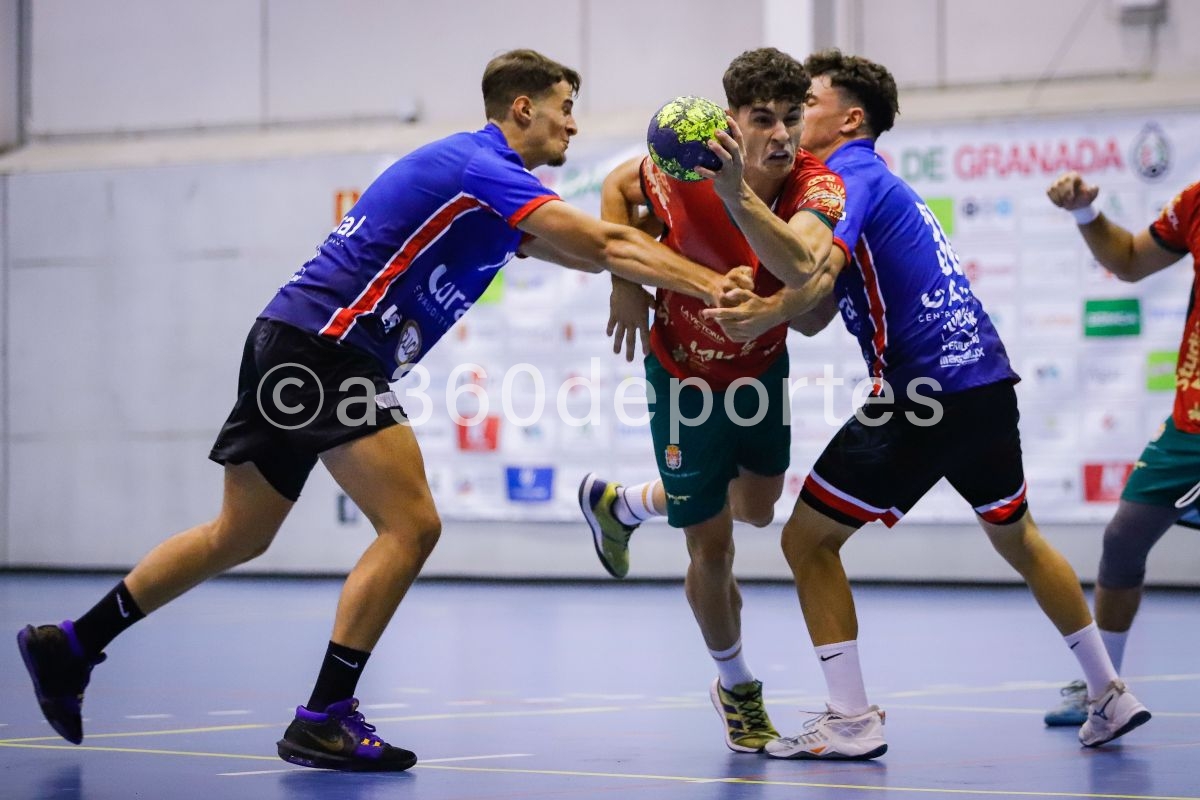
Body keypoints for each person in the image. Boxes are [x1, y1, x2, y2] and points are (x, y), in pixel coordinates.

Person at [14, 49, 752, 773]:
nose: (573, 128)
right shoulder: (480, 165)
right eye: (564, 110)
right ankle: (324, 717)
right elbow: (608, 239)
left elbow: (594, 254)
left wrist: (644, 268)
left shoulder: (493, 193)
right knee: (412, 524)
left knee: (237, 534)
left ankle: (72, 645)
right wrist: (718, 286)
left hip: (293, 340)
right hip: (328, 349)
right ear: (521, 109)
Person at [701, 49, 1151, 759]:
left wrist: (761, 307)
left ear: (851, 117)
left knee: (805, 541)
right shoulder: (869, 182)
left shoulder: (847, 174)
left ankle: (850, 720)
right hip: (985, 384)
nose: (793, 119)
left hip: (923, 390)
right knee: (1018, 537)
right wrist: (778, 307)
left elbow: (813, 274)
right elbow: (819, 305)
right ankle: (1109, 692)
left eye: (806, 104)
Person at [576, 47, 845, 753]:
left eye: (792, 118)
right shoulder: (679, 162)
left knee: (755, 510)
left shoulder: (817, 184)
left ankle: (625, 503)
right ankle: (737, 687)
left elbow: (802, 264)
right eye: (764, 119)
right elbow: (614, 187)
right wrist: (625, 279)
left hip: (759, 374)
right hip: (683, 378)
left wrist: (738, 194)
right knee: (714, 548)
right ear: (732, 121)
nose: (782, 134)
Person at [1040, 172, 1200, 726]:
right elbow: (1130, 259)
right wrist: (1086, 212)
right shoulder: (1196, 201)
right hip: (1191, 423)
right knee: (1124, 537)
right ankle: (1103, 689)